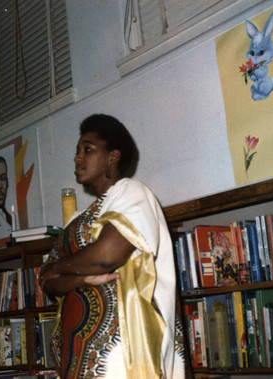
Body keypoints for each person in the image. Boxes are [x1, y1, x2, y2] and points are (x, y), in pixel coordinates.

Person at [40, 114, 185, 378]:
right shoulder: (76, 219)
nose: (77, 158)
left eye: (88, 149)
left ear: (113, 157)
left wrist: (61, 268)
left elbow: (107, 255)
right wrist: (80, 280)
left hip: (122, 349)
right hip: (77, 349)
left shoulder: (131, 192)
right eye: (77, 151)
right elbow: (46, 282)